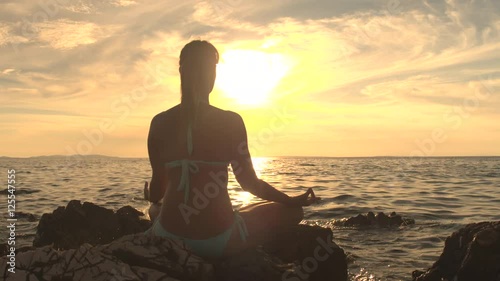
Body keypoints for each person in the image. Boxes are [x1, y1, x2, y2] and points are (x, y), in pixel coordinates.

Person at [144, 40, 320, 259]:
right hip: (219, 241)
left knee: (153, 210)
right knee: (292, 212)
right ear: (213, 74)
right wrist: (291, 200)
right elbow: (249, 184)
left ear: (181, 71)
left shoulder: (159, 123)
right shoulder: (230, 122)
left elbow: (157, 192)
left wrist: (150, 195)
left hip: (168, 238)